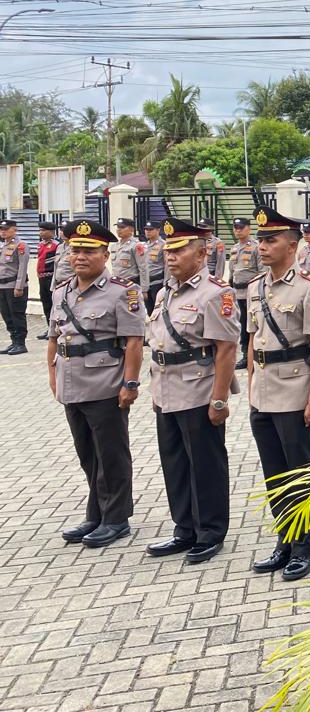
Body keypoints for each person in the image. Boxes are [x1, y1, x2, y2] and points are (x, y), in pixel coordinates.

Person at [145, 217, 240, 565]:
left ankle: (211, 531)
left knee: (205, 464)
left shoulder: (216, 293)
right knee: (175, 463)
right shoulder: (164, 291)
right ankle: (184, 528)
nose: (171, 256)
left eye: (180, 249)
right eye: (168, 250)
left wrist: (219, 399)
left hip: (198, 391)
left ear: (201, 254)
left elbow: (226, 349)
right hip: (165, 390)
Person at [48, 219, 145, 549]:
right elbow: (53, 337)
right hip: (71, 383)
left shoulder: (123, 292)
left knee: (112, 454)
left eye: (89, 251)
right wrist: (52, 375)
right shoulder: (62, 291)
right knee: (87, 453)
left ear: (105, 255)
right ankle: (96, 512)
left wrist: (130, 383)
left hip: (105, 384)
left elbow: (133, 341)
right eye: (76, 250)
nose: (80, 257)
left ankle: (117, 518)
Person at [245, 207, 310, 581]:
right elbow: (251, 341)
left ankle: (304, 547)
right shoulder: (254, 286)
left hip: (295, 389)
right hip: (262, 392)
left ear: (292, 245)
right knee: (274, 475)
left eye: (270, 240)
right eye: (260, 240)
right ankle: (285, 538)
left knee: (300, 473)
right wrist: (249, 385)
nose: (262, 246)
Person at [228, 217, 262, 369]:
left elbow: (262, 271)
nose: (238, 230)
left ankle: (253, 354)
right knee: (241, 324)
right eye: (235, 227)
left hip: (250, 292)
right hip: (237, 292)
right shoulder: (234, 248)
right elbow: (232, 270)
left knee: (253, 324)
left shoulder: (256, 247)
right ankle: (245, 353)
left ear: (248, 228)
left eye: (241, 227)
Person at [0, 218, 29, 354]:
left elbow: (22, 267)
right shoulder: (2, 246)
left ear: (15, 230)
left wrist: (19, 286)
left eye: (6, 229)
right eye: (1, 229)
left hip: (14, 286)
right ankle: (13, 341)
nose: (3, 232)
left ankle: (20, 343)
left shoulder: (21, 245)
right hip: (2, 287)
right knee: (6, 315)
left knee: (17, 314)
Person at [110, 218, 149, 294]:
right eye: (118, 227)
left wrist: (144, 290)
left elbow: (143, 268)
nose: (119, 230)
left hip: (130, 284)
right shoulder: (115, 246)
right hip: (116, 284)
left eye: (122, 227)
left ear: (131, 230)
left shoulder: (136, 246)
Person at [35, 221, 58, 340]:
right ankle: (49, 328)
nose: (41, 233)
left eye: (43, 230)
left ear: (51, 232)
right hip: (42, 278)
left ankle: (55, 329)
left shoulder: (56, 245)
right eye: (40, 230)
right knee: (46, 304)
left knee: (53, 304)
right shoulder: (40, 244)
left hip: (51, 277)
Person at [141, 221, 166, 315]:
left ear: (158, 230)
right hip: (146, 283)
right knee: (149, 309)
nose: (147, 231)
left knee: (159, 308)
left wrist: (166, 282)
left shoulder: (163, 244)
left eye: (150, 229)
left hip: (158, 282)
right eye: (146, 229)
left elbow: (166, 265)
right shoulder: (143, 246)